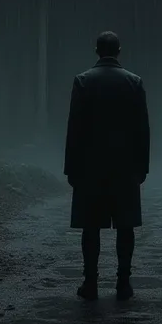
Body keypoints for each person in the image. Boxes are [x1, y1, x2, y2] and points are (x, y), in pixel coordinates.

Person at [64, 31, 150, 302]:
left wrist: (71, 168)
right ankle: (123, 284)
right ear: (119, 50)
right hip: (125, 166)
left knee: (91, 227)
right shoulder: (134, 82)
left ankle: (90, 283)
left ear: (96, 50)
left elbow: (74, 129)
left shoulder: (83, 81)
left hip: (91, 166)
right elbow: (142, 130)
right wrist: (142, 167)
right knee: (125, 227)